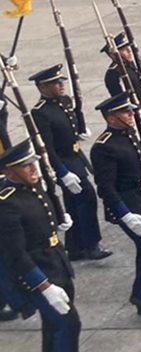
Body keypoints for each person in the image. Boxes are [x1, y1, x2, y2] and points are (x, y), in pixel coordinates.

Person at [0, 139, 91, 352]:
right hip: (36, 275)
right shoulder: (6, 205)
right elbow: (16, 255)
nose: (33, 169)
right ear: (8, 172)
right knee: (68, 324)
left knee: (54, 327)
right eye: (25, 166)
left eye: (32, 164)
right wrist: (44, 286)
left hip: (56, 264)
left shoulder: (33, 187)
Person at [90, 93, 141, 317]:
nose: (132, 114)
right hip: (129, 205)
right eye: (126, 112)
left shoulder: (129, 134)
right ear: (111, 118)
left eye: (131, 111)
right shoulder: (103, 147)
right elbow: (106, 187)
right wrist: (124, 214)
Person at [30, 65, 109, 262]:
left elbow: (72, 123)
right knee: (86, 198)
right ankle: (91, 244)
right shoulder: (40, 112)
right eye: (55, 83)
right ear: (42, 88)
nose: (61, 85)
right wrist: (62, 172)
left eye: (61, 81)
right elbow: (46, 147)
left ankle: (75, 247)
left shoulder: (64, 101)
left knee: (75, 203)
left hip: (76, 157)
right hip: (64, 161)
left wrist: (80, 131)